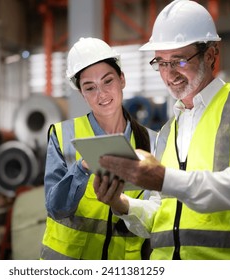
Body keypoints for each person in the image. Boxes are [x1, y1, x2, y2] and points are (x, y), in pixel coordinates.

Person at [93, 0, 230, 260]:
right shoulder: (169, 130)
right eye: (161, 62)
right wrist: (120, 203)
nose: (169, 74)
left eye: (179, 61)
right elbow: (161, 214)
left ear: (211, 55)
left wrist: (164, 178)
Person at [40, 37, 157, 260]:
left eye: (108, 81)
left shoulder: (152, 141)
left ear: (122, 79)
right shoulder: (63, 135)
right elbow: (55, 208)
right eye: (90, 87)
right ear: (81, 93)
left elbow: (158, 215)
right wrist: (82, 168)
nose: (101, 94)